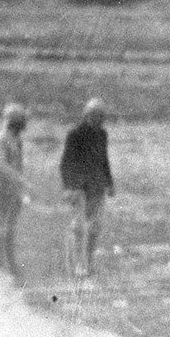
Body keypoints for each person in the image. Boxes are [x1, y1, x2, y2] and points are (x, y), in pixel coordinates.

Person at [59, 99, 114, 278]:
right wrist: (69, 186)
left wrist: (110, 182)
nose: (99, 120)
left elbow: (104, 160)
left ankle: (88, 262)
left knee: (95, 228)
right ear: (87, 115)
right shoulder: (75, 134)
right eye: (96, 116)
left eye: (101, 116)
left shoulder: (102, 134)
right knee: (78, 228)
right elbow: (65, 163)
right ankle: (77, 265)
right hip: (79, 187)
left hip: (97, 186)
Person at [0, 103, 28, 276]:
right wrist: (21, 180)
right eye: (20, 122)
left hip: (12, 189)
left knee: (10, 228)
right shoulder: (0, 139)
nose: (23, 126)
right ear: (14, 122)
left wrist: (21, 187)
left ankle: (10, 266)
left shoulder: (17, 140)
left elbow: (18, 165)